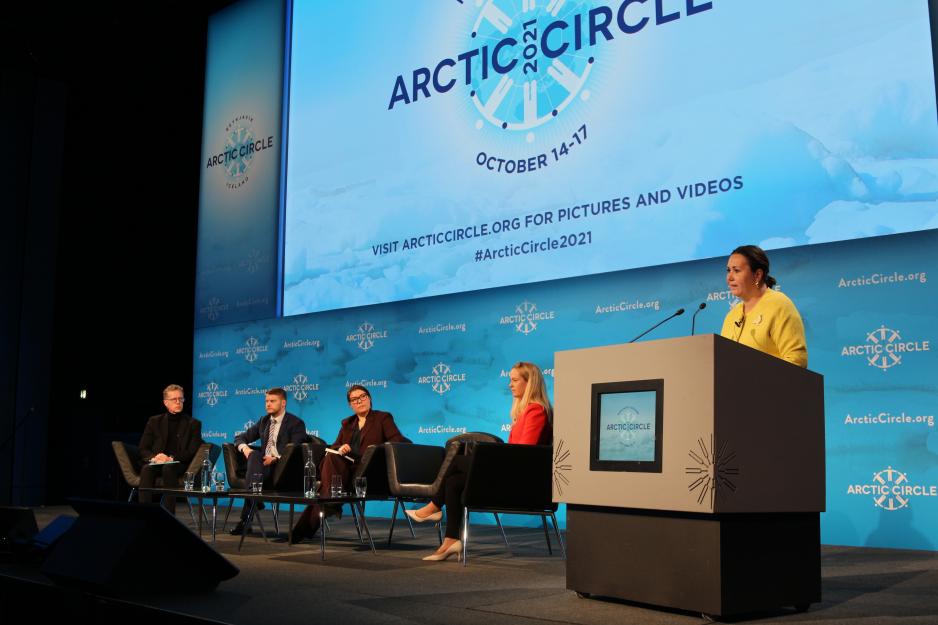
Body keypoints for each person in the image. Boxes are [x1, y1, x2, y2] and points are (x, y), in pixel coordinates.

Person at [406, 361, 552, 561]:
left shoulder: (536, 411)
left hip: (521, 481)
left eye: (515, 380)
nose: (510, 384)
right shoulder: (524, 412)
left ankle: (434, 506)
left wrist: (493, 458)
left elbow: (523, 454)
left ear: (530, 383)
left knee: (458, 462)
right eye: (510, 380)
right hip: (512, 472)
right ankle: (451, 540)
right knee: (454, 481)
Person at [290, 385, 408, 543]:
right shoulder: (347, 423)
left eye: (363, 396)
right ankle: (332, 500)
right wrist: (341, 448)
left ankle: (326, 506)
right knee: (332, 457)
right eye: (354, 399)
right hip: (347, 472)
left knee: (326, 490)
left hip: (369, 472)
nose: (359, 401)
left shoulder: (382, 418)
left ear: (369, 398)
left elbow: (398, 442)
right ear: (350, 405)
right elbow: (334, 446)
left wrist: (375, 451)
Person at [229, 387, 307, 535]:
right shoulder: (264, 421)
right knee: (254, 455)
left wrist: (276, 458)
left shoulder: (296, 423)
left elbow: (296, 449)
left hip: (283, 469)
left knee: (254, 470)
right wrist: (245, 449)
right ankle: (255, 499)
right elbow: (240, 438)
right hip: (262, 468)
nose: (268, 404)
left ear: (283, 403)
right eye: (266, 401)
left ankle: (247, 516)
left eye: (272, 401)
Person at [720, 245, 808, 368]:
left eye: (737, 270)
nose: (729, 277)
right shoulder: (731, 316)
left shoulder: (779, 305)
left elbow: (797, 360)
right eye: (728, 270)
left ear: (757, 275)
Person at [138, 384, 203, 513]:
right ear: (166, 403)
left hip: (179, 463)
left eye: (181, 399)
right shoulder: (154, 421)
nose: (178, 402)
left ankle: (169, 514)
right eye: (174, 399)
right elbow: (143, 448)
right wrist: (154, 458)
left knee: (168, 468)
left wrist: (170, 458)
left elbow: (192, 451)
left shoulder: (193, 424)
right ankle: (144, 513)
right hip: (157, 462)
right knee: (147, 469)